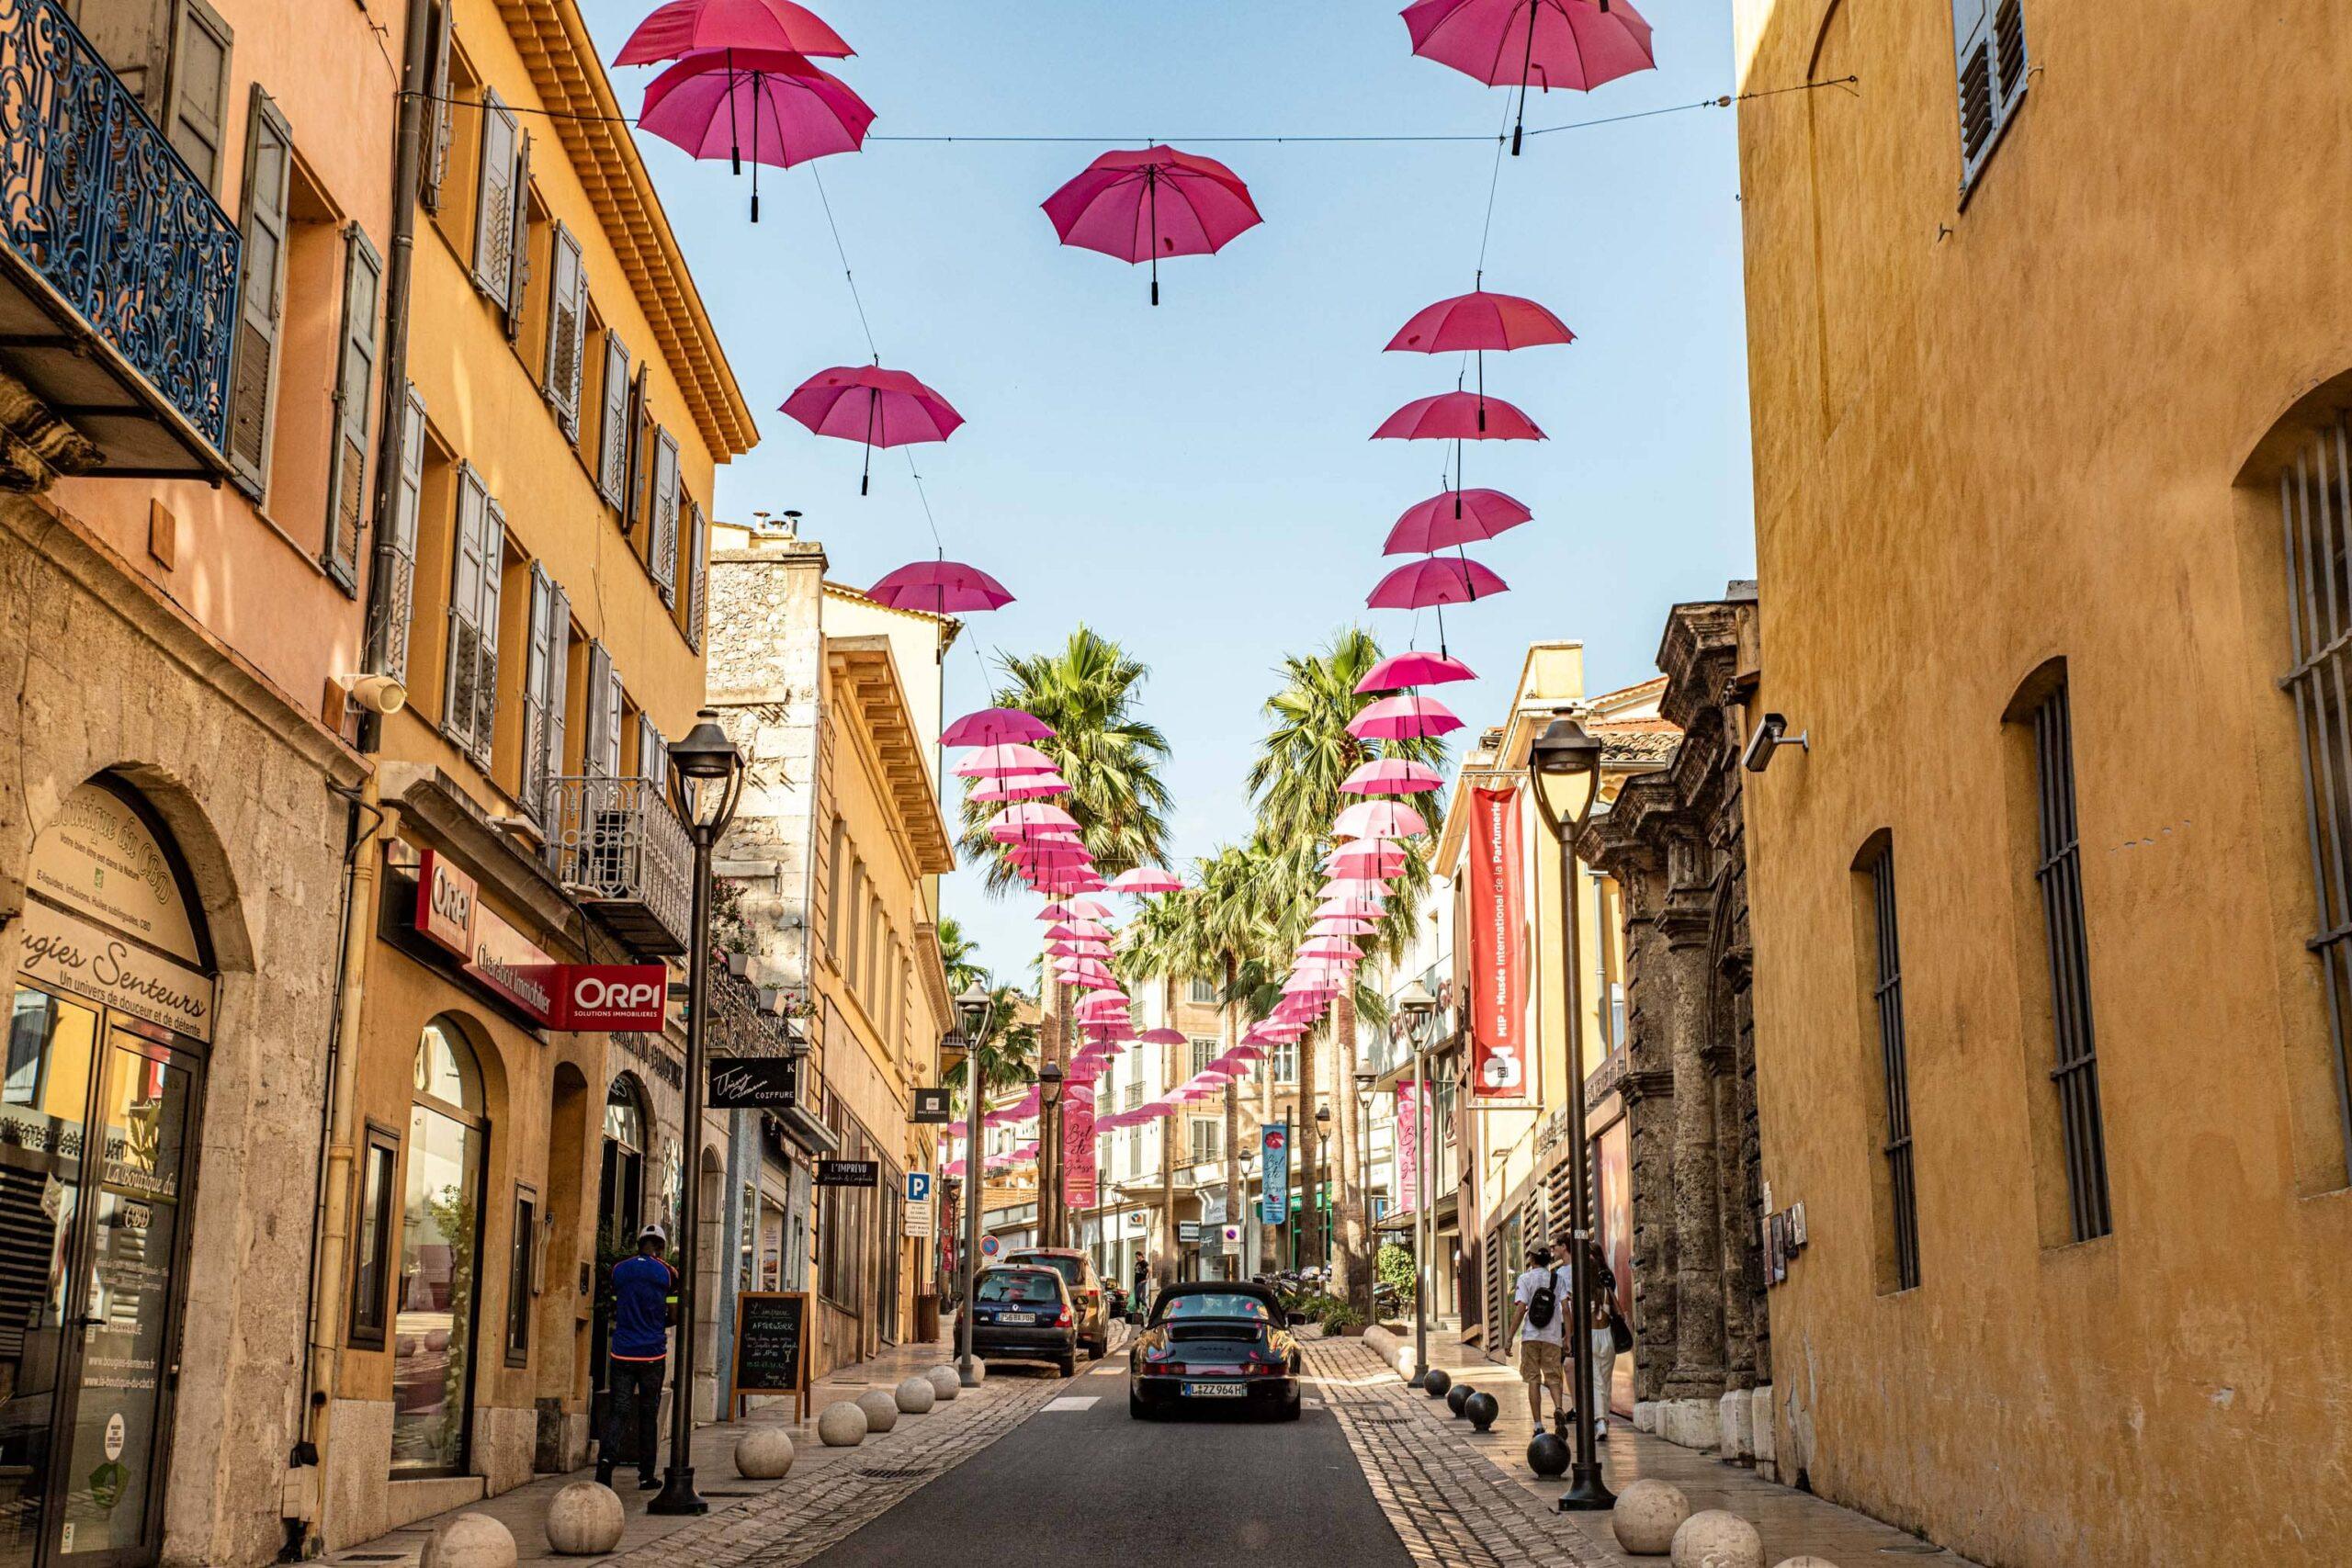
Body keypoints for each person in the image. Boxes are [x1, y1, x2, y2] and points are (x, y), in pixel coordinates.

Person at [598, 1224, 678, 1490]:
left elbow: (613, 1304)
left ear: (639, 1243)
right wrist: (658, 1321)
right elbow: (674, 1315)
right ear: (660, 1248)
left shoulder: (619, 1270)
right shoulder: (668, 1273)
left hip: (622, 1352)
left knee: (618, 1411)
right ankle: (646, 1475)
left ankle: (605, 1468)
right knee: (648, 1414)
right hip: (652, 1355)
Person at [1506, 1243, 1568, 1431]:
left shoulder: (1525, 1279)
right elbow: (1565, 1309)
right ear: (1549, 1260)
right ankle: (1558, 1408)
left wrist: (1509, 1338)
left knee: (1533, 1379)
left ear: (1531, 1258)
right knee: (1553, 1378)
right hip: (1553, 1336)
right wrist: (1569, 1338)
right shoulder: (1558, 1280)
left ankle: (1538, 1425)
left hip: (1531, 1336)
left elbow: (1520, 1309)